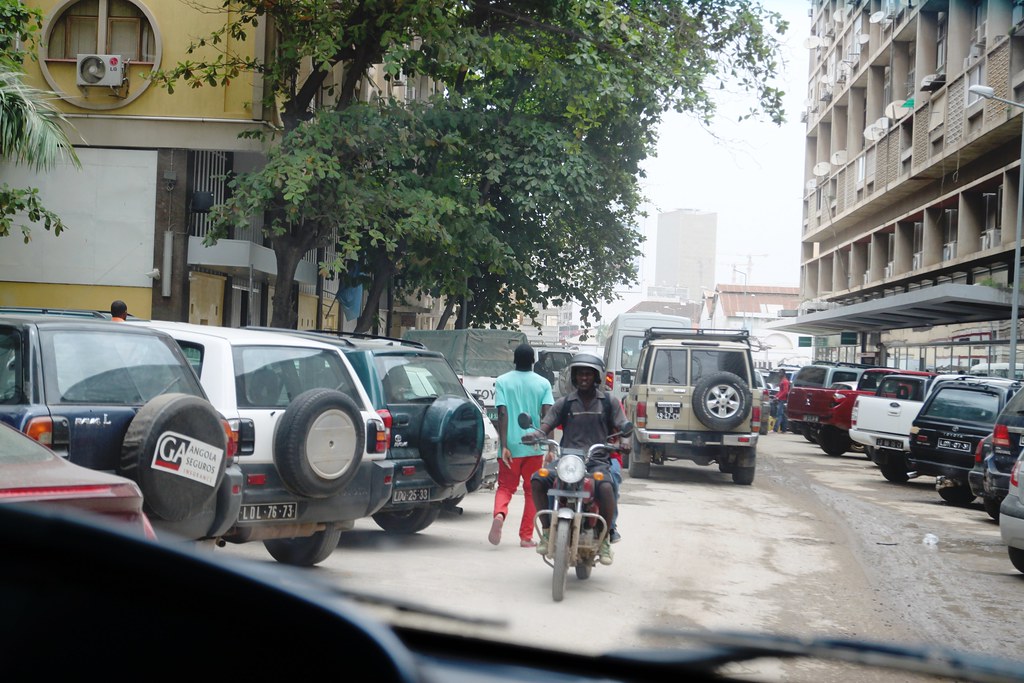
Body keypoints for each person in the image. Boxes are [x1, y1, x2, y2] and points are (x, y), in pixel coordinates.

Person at [528, 352, 629, 566]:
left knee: (606, 487)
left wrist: (625, 441)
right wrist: (536, 435)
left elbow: (623, 426)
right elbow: (547, 425)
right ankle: (547, 532)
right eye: (580, 374)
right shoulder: (564, 403)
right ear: (574, 377)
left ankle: (605, 537)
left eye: (588, 375)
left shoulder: (608, 402)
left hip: (596, 460)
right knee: (539, 478)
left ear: (596, 377)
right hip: (568, 461)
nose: (584, 378)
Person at [489, 343, 554, 548]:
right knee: (531, 491)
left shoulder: (502, 381)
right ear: (534, 361)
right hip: (534, 447)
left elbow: (502, 413)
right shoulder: (543, 383)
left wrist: (505, 445)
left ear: (514, 361)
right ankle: (526, 537)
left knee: (506, 487)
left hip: (511, 448)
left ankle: (500, 514)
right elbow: (548, 415)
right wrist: (550, 448)